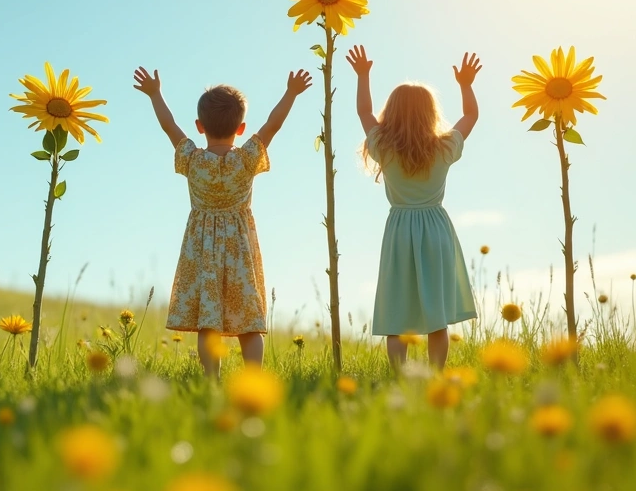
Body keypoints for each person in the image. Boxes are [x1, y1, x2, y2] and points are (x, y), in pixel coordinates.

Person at [133, 65, 312, 376]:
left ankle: (210, 379)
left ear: (200, 126)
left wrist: (155, 94)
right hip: (240, 248)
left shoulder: (192, 159)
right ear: (241, 128)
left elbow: (169, 126)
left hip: (200, 250)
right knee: (249, 321)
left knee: (208, 320)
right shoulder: (245, 160)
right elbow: (273, 125)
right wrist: (291, 93)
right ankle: (253, 378)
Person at [348, 45, 481, 370]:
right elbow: (471, 116)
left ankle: (399, 377)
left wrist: (363, 76)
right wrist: (466, 84)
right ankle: (436, 375)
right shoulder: (444, 148)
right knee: (437, 315)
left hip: (400, 229)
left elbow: (364, 113)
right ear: (431, 113)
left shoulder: (383, 147)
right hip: (435, 228)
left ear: (390, 113)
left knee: (398, 312)